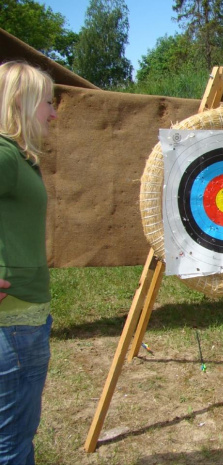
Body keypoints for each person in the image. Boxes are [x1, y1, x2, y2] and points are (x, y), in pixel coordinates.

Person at [0, 61, 57, 465]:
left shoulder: (18, 157)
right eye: (48, 102)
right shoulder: (3, 154)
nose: (54, 113)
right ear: (22, 101)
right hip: (13, 325)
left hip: (24, 319)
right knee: (13, 446)